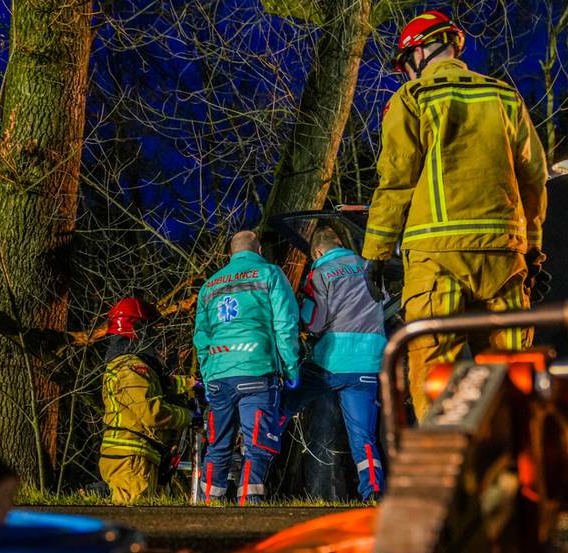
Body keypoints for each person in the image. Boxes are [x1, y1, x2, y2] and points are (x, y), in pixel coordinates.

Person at [361, 10, 548, 419]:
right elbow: (534, 179)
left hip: (436, 257)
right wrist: (532, 250)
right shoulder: (504, 97)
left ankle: (444, 468)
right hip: (504, 258)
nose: (406, 73)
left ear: (421, 51)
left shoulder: (413, 99)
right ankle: (519, 466)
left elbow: (396, 180)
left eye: (405, 63)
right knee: (514, 370)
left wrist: (374, 252)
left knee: (435, 372)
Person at [193, 230, 300, 506]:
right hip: (257, 371)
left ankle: (208, 503)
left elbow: (201, 338)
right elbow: (285, 325)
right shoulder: (269, 274)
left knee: (218, 445)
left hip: (219, 377)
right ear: (259, 250)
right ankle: (250, 502)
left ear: (230, 254)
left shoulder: (210, 286)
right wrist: (290, 369)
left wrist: (208, 376)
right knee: (257, 444)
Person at [283, 227, 387, 501]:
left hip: (330, 363)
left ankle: (256, 460)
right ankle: (373, 492)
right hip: (368, 364)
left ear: (317, 252)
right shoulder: (368, 267)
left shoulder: (320, 273)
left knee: (284, 402)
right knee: (363, 437)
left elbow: (315, 321)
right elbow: (383, 304)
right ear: (340, 243)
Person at [99, 297, 195, 504]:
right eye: (150, 329)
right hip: (132, 460)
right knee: (134, 517)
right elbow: (152, 412)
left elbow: (155, 385)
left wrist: (191, 384)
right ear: (137, 328)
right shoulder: (131, 367)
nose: (154, 336)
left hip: (131, 456)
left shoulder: (127, 364)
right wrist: (188, 416)